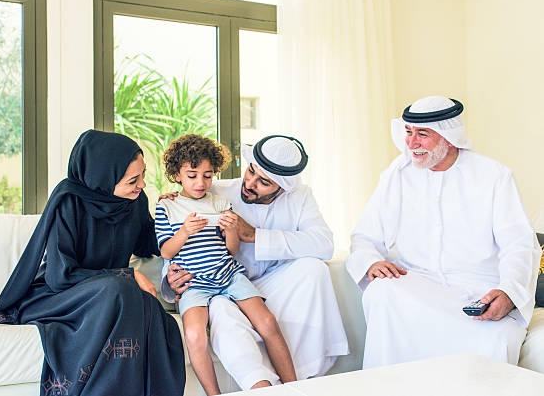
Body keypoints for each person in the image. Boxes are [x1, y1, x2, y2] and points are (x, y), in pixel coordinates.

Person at [346, 95, 541, 369]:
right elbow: (365, 236)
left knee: (497, 337)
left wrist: (509, 291)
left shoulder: (493, 176)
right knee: (380, 292)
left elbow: (519, 244)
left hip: (475, 289)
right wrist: (370, 261)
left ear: (449, 137)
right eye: (408, 133)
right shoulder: (397, 174)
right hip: (417, 284)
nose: (411, 143)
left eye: (422, 134)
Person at [0, 129, 185, 396]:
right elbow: (60, 275)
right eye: (132, 180)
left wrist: (170, 213)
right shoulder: (68, 200)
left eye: (143, 175)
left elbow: (147, 244)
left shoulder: (134, 200)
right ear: (104, 177)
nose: (141, 185)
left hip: (111, 294)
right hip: (60, 293)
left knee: (148, 308)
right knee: (121, 290)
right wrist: (127, 275)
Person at [162, 135, 349, 390]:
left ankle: (300, 381)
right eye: (250, 171)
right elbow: (178, 237)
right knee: (222, 311)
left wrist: (254, 235)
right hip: (217, 287)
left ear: (283, 188)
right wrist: (169, 277)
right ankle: (259, 387)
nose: (249, 183)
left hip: (260, 284)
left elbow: (324, 244)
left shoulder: (300, 197)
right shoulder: (214, 191)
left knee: (313, 269)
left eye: (263, 182)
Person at [155, 134, 297, 395]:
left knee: (267, 322)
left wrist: (231, 229)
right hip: (194, 283)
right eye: (192, 175)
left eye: (208, 175)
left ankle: (295, 388)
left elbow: (231, 249)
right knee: (196, 336)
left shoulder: (221, 203)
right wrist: (184, 232)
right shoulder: (167, 206)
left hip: (229, 275)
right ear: (177, 175)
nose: (201, 182)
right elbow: (166, 251)